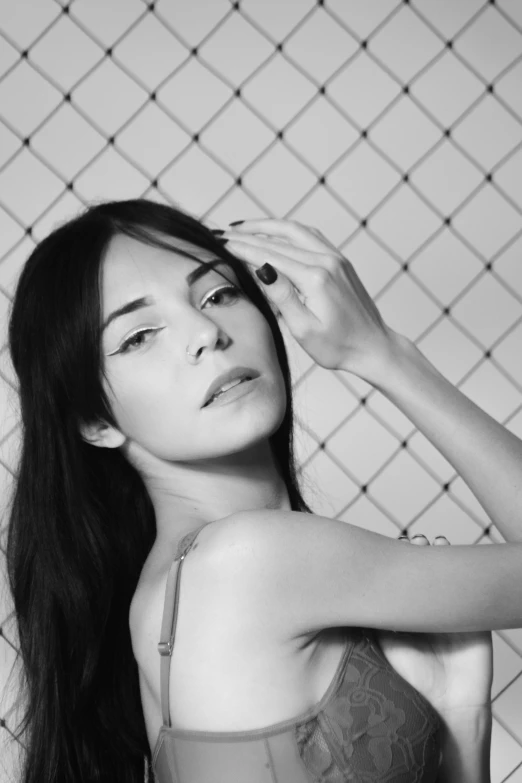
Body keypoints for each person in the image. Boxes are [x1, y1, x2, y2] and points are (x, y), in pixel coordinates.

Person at [5, 198, 519, 783]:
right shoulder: (250, 558)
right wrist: (384, 354)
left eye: (218, 294)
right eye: (140, 335)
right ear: (94, 421)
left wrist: (461, 716)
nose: (206, 332)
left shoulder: (167, 591)